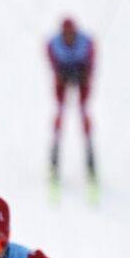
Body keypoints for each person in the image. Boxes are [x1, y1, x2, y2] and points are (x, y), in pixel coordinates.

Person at [47, 17, 97, 182]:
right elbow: (51, 57)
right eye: (65, 34)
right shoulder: (54, 44)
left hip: (81, 77)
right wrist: (59, 73)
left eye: (71, 34)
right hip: (63, 76)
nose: (68, 37)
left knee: (83, 111)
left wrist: (85, 74)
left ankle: (90, 156)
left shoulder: (86, 43)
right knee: (60, 111)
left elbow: (91, 61)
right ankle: (54, 156)